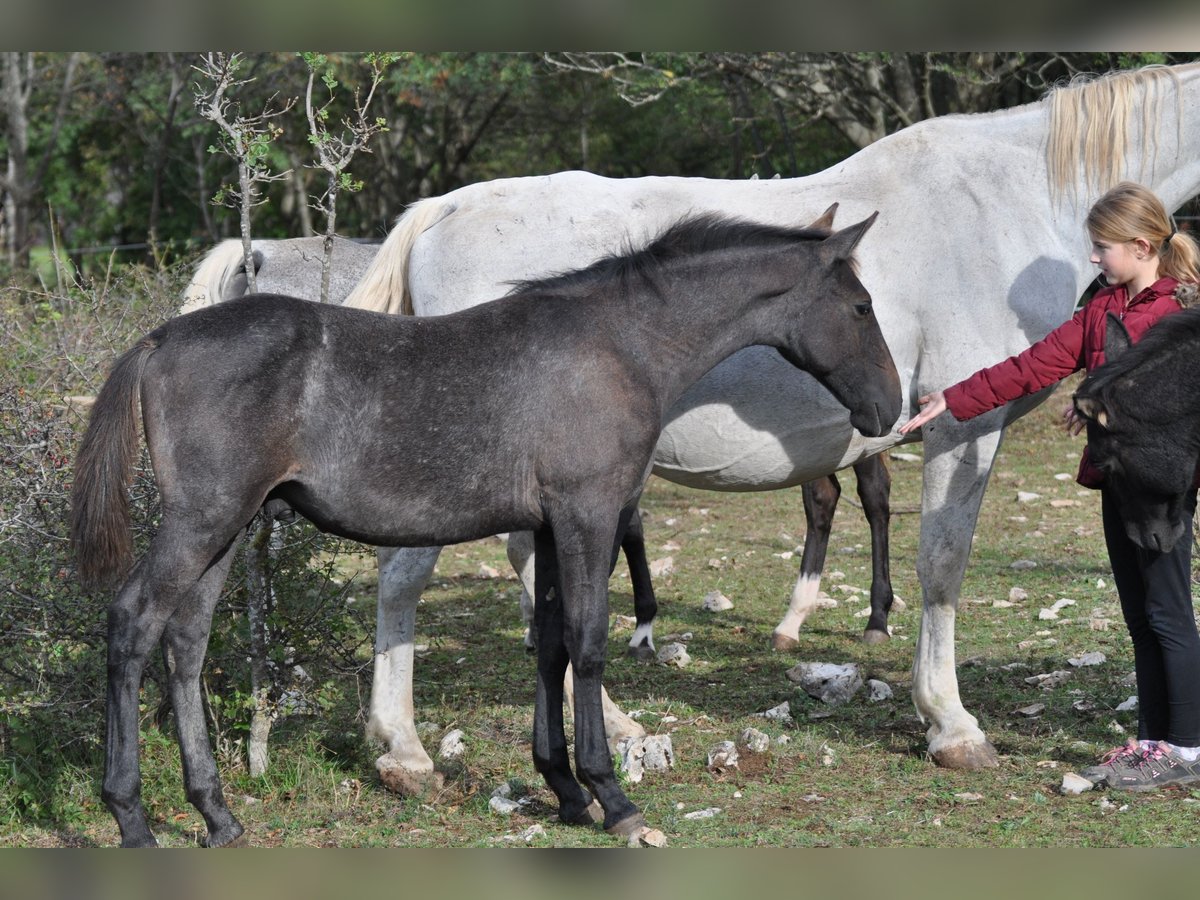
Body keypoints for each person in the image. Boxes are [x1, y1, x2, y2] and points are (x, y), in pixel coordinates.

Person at [899, 181, 1200, 791]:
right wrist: (952, 400)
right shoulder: (1100, 313)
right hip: (1118, 480)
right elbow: (1032, 366)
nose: (1094, 258)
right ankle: (1151, 743)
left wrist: (1100, 400)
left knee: (1169, 613)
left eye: (1103, 247)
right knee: (1140, 616)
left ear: (1142, 246)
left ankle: (1188, 748)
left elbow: (1174, 399)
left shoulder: (1183, 315)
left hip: (1163, 489)